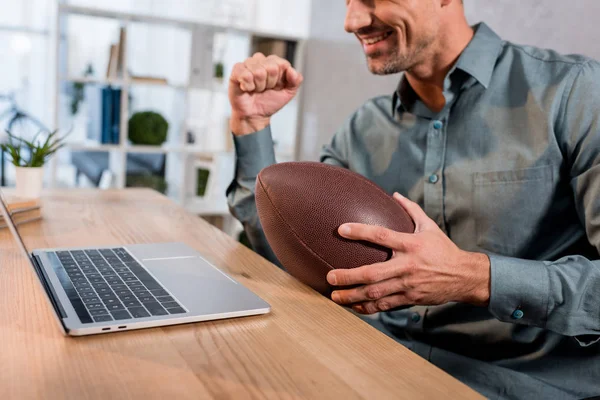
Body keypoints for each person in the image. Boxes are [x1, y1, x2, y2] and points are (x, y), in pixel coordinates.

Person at [226, 0, 600, 398]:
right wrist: (252, 125)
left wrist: (472, 277)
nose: (352, 21)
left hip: (516, 386)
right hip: (373, 361)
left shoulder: (574, 93)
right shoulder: (363, 129)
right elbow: (291, 251)